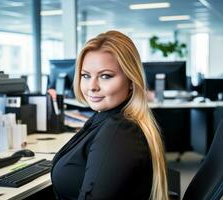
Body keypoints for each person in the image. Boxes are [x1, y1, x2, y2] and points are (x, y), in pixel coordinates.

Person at [51, 30, 168, 200]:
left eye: (105, 76)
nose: (92, 86)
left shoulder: (120, 131)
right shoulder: (107, 119)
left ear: (131, 80)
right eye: (86, 75)